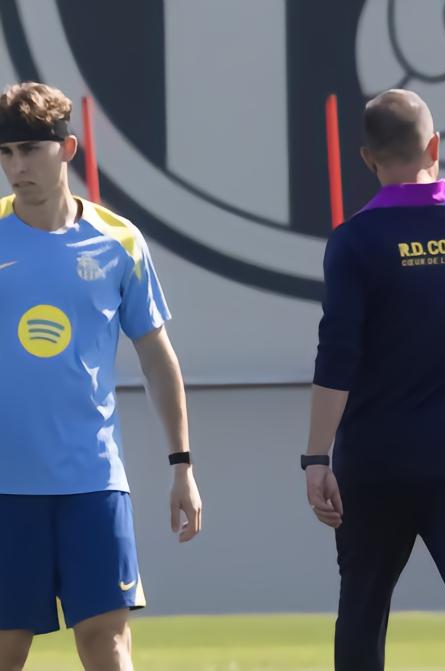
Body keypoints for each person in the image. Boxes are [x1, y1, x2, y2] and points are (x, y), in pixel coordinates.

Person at [303, 89, 445, 671]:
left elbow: (337, 357)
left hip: (376, 459)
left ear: (366, 158)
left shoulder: (355, 241)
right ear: (435, 146)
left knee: (362, 607)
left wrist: (316, 457)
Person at [0, 81, 202, 671]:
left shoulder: (120, 242)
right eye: (6, 153)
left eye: (29, 150)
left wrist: (182, 466)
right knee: (7, 646)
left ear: (66, 149)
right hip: (6, 487)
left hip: (93, 482)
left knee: (106, 641)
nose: (16, 167)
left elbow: (157, 357)